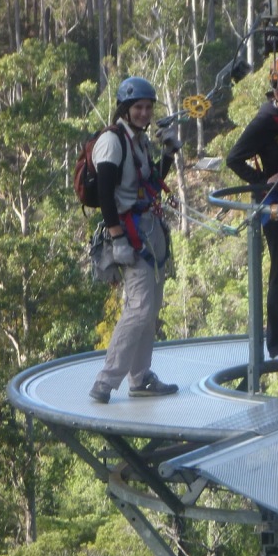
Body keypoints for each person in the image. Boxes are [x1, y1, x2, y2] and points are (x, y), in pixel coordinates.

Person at [88, 76, 180, 404]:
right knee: (139, 308)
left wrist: (168, 153)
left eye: (148, 107)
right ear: (125, 109)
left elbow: (151, 182)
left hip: (147, 227)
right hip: (128, 232)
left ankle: (140, 377)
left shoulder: (138, 140)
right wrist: (117, 239)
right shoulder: (113, 141)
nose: (144, 113)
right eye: (138, 107)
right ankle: (105, 381)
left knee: (151, 307)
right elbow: (104, 193)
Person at [226, 54, 278, 359]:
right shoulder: (264, 121)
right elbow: (234, 158)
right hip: (275, 205)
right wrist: (263, 180)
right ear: (272, 85)